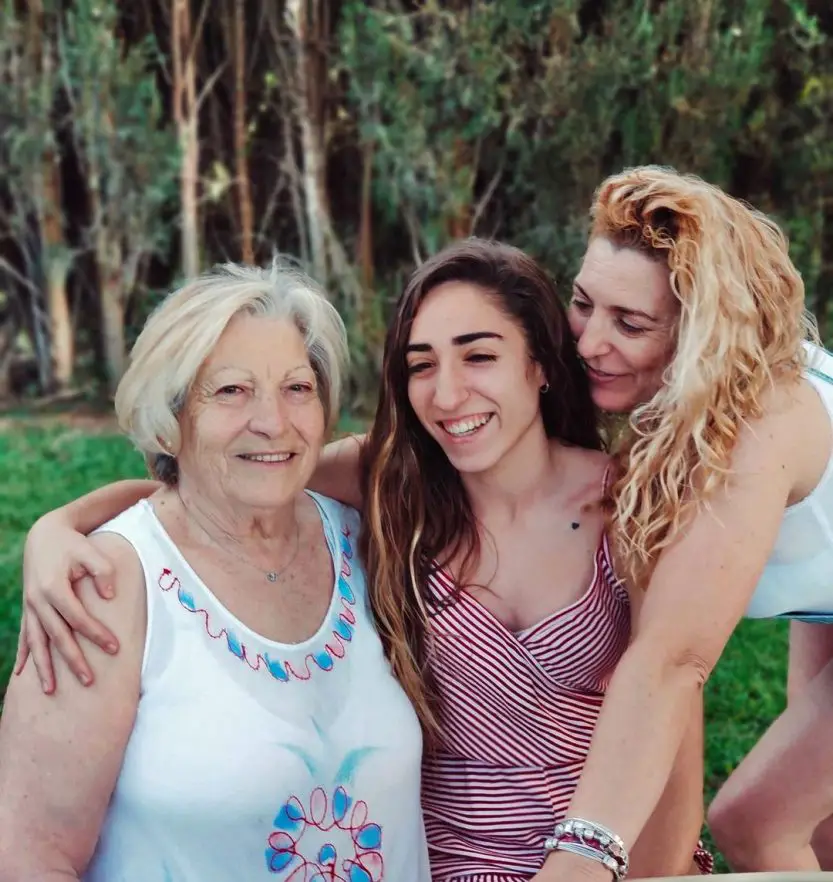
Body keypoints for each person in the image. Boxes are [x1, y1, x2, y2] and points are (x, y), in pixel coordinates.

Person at [9, 240, 707, 880]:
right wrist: (59, 527)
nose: (448, 392)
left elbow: (669, 699)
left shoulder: (614, 503)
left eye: (296, 389)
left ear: (539, 364)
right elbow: (207, 484)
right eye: (421, 365)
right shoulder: (386, 489)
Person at [0, 262, 430, 881]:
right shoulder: (104, 585)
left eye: (297, 388)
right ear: (171, 420)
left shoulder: (368, 538)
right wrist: (55, 528)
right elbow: (30, 857)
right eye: (231, 390)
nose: (273, 421)